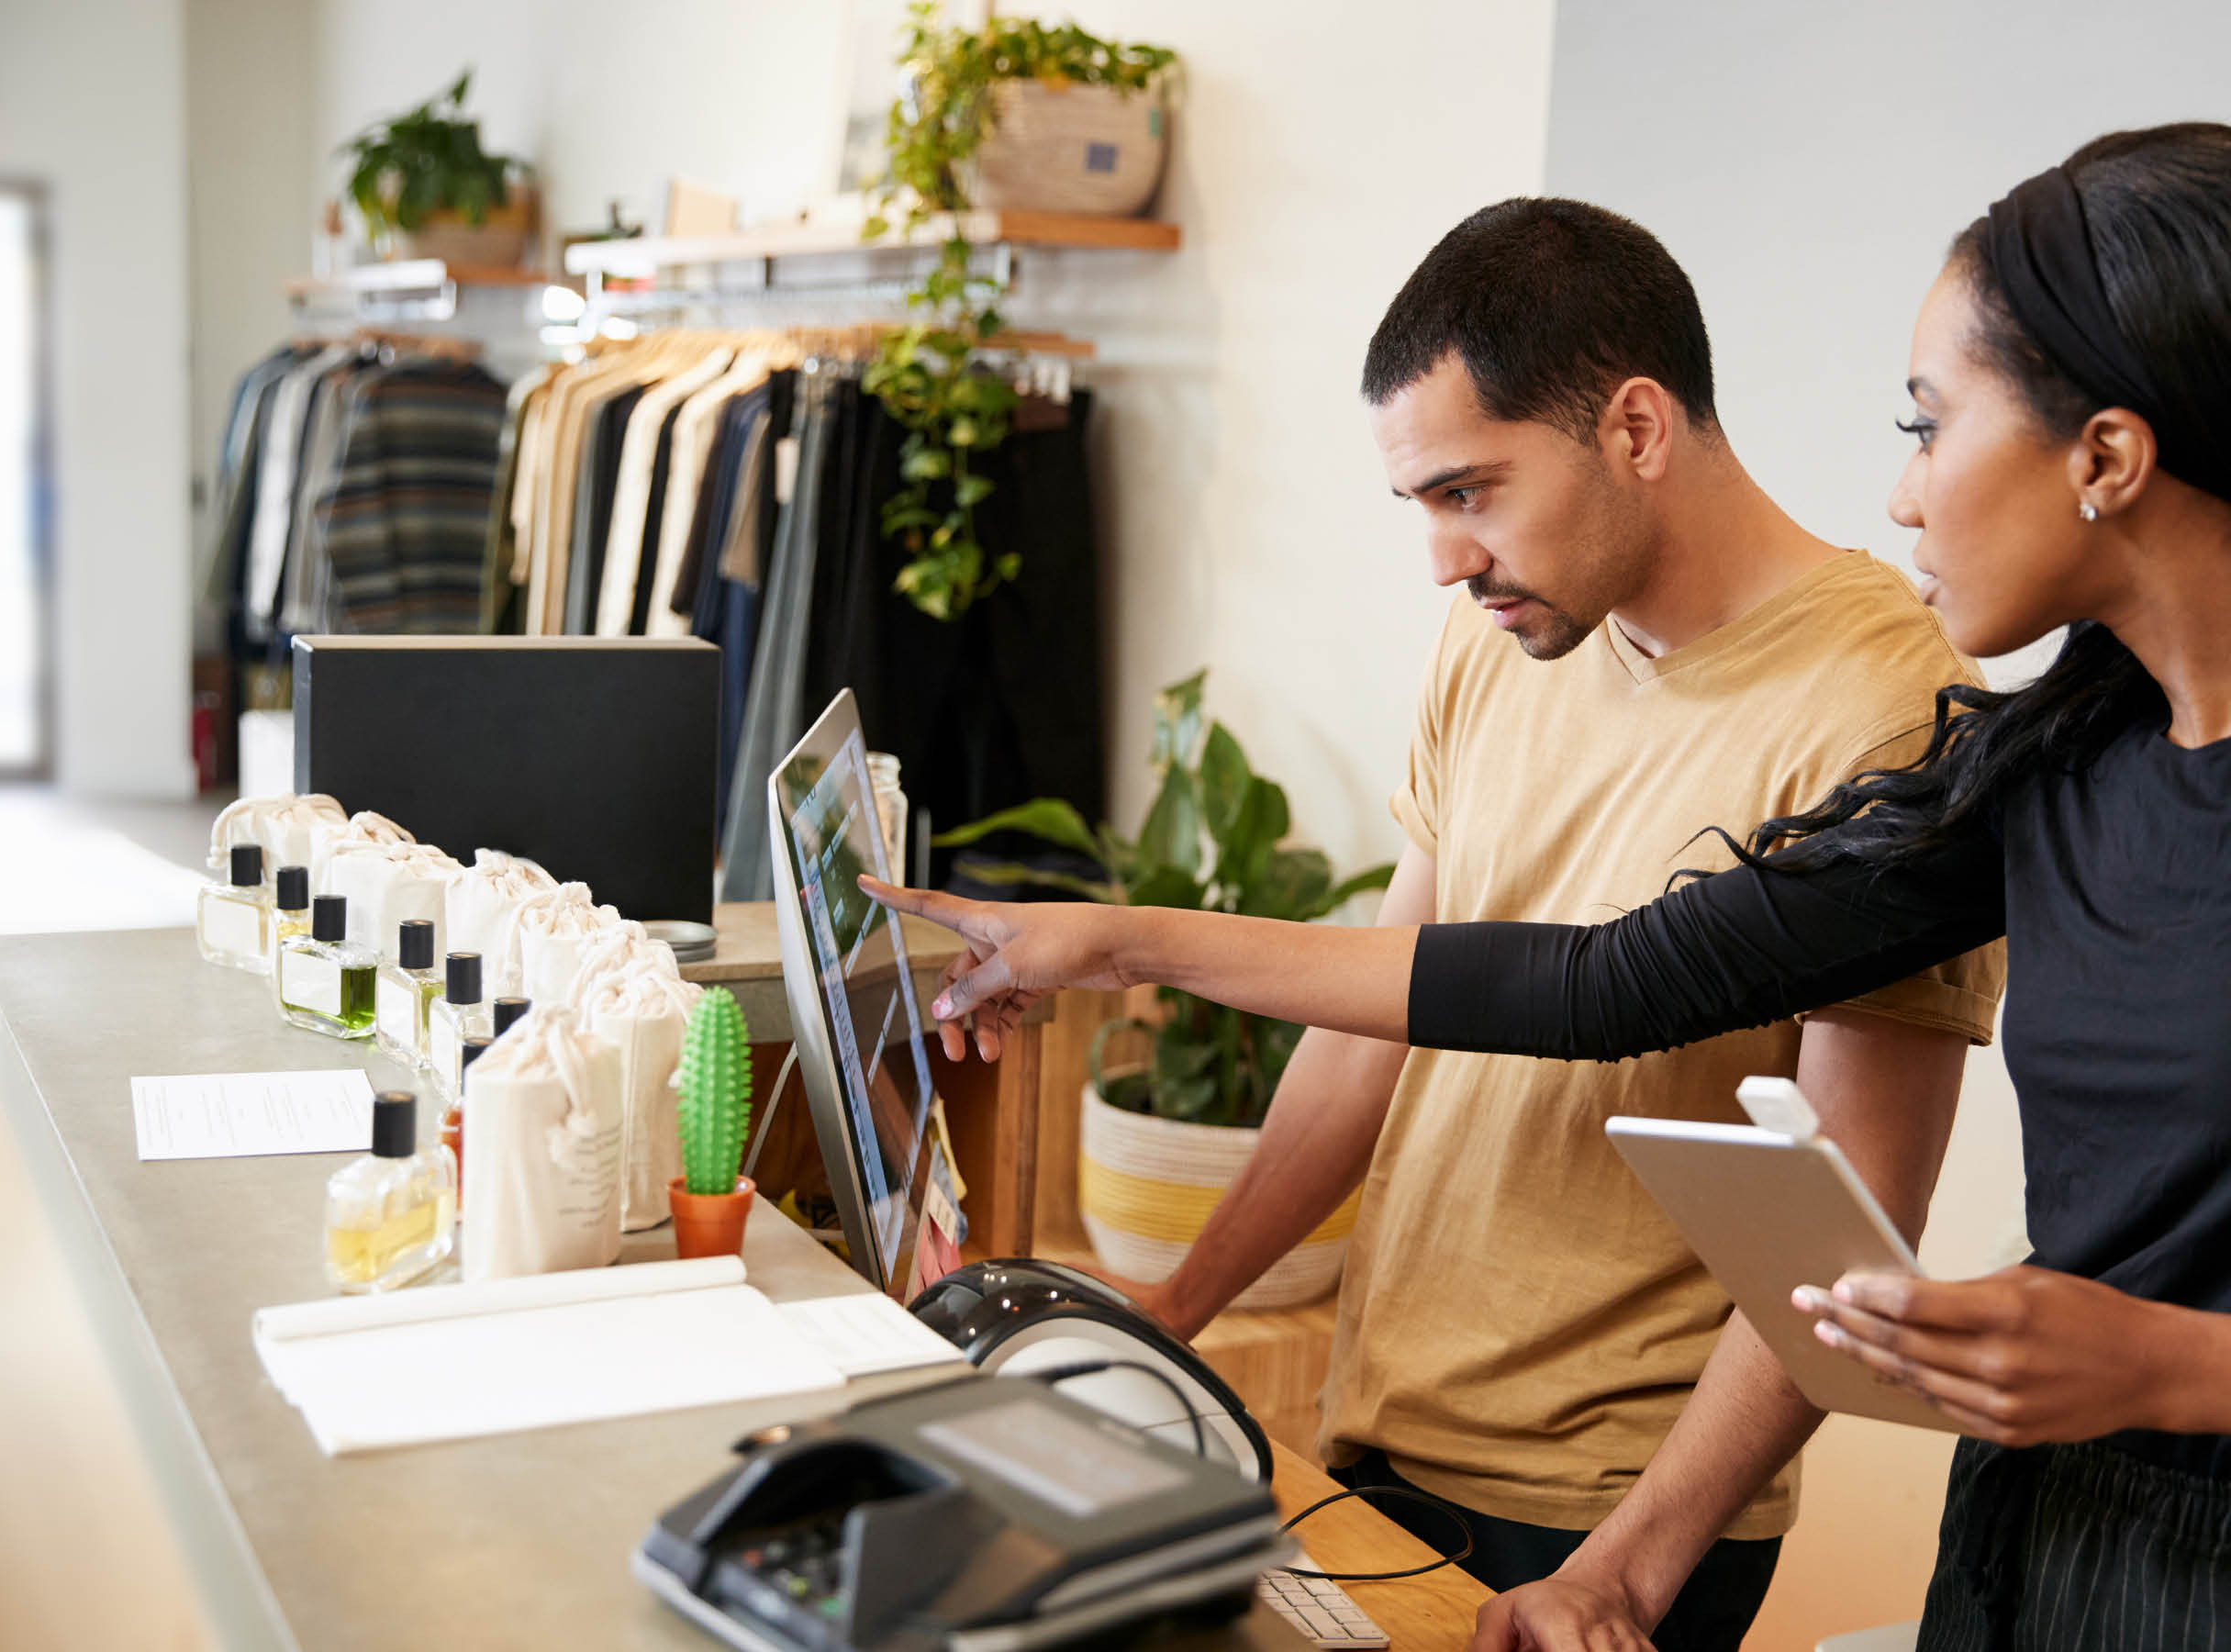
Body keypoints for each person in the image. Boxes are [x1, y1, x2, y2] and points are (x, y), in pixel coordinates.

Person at [870, 123, 2231, 1652]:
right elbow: (1594, 982)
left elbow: (1844, 1194)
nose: (1907, 493)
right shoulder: (2052, 766)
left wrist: (2174, 1370)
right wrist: (1128, 1012)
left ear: (2107, 456)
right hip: (2023, 1515)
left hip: (1662, 1486)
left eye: (1927, 426)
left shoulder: (1895, 702)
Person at [1116, 198, 2019, 1651]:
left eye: (1469, 492)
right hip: (1386, 1431)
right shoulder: (1506, 639)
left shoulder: (1883, 706)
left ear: (1638, 431)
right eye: (1420, 506)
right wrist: (1179, 1304)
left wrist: (1631, 1565)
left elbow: (1857, 1213)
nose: (1443, 559)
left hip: (1607, 1508)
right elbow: (1373, 1034)